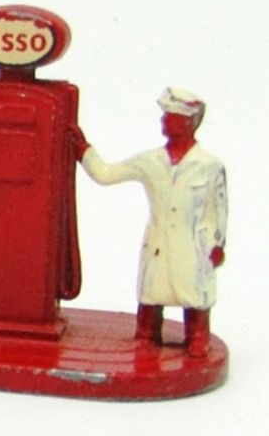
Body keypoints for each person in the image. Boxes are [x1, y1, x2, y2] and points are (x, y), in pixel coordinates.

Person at [73, 87, 227, 356]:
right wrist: (84, 150)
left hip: (193, 242)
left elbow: (219, 209)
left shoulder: (209, 165)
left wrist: (218, 244)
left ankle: (197, 335)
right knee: (153, 288)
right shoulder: (151, 161)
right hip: (158, 241)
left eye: (170, 116)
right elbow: (107, 174)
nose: (163, 121)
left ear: (188, 122)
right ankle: (147, 334)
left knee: (194, 290)